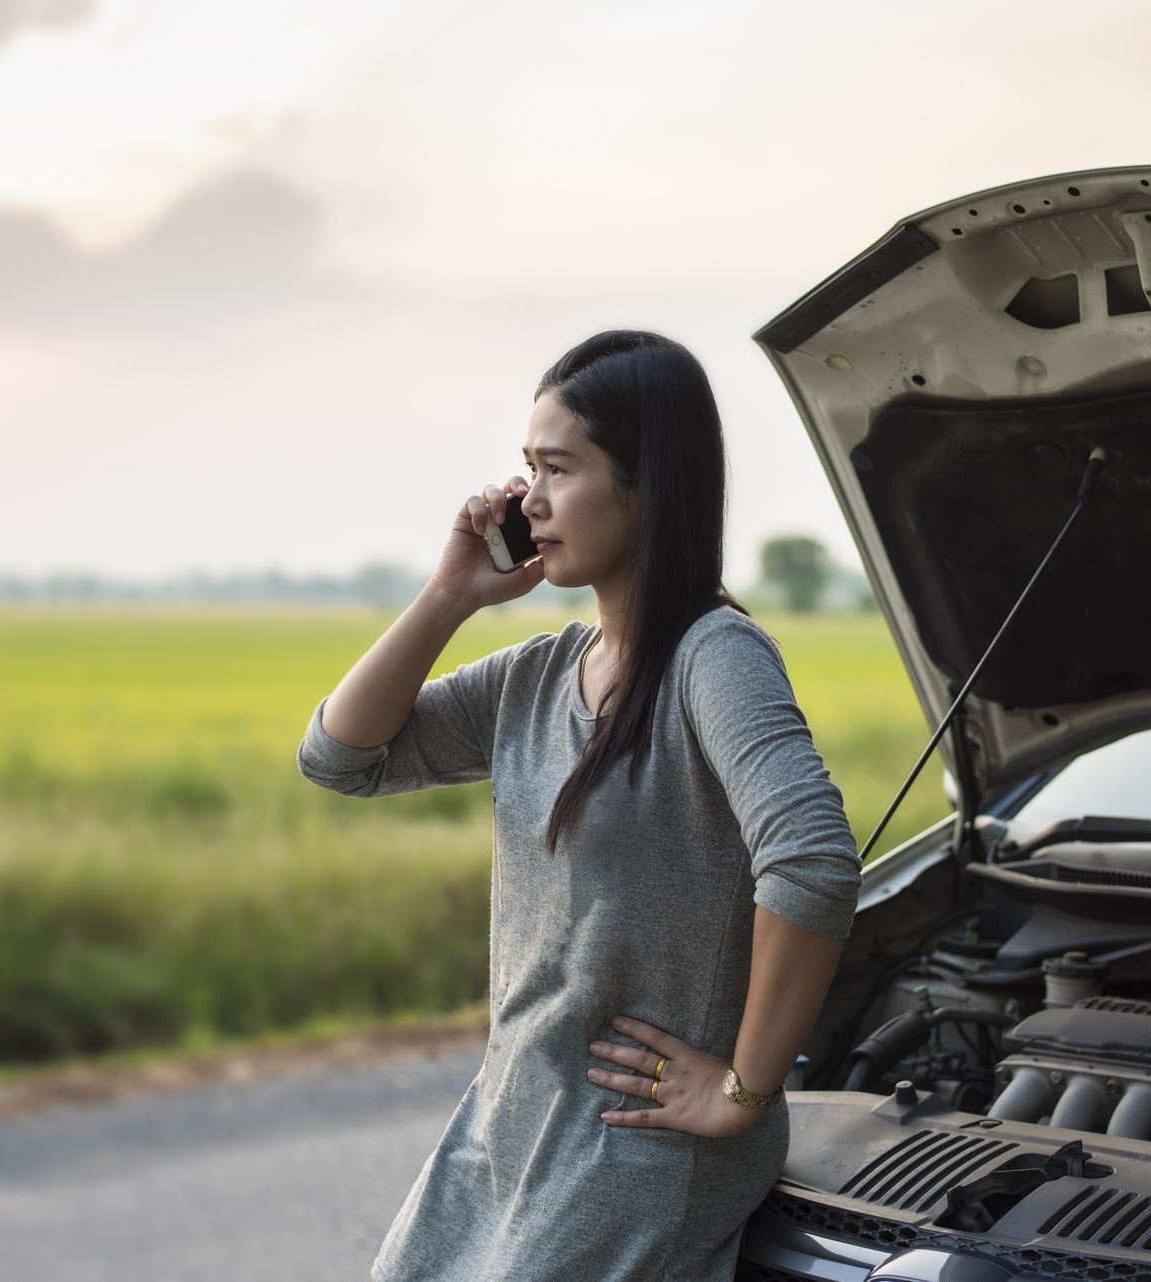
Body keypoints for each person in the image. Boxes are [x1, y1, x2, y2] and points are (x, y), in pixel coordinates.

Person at [297, 329, 863, 1282]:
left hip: (629, 1154)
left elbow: (810, 860)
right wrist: (449, 594)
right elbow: (340, 757)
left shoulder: (712, 658)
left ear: (646, 485)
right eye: (526, 469)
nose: (527, 500)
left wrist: (743, 1090)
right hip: (508, 1123)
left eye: (558, 468)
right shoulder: (545, 671)